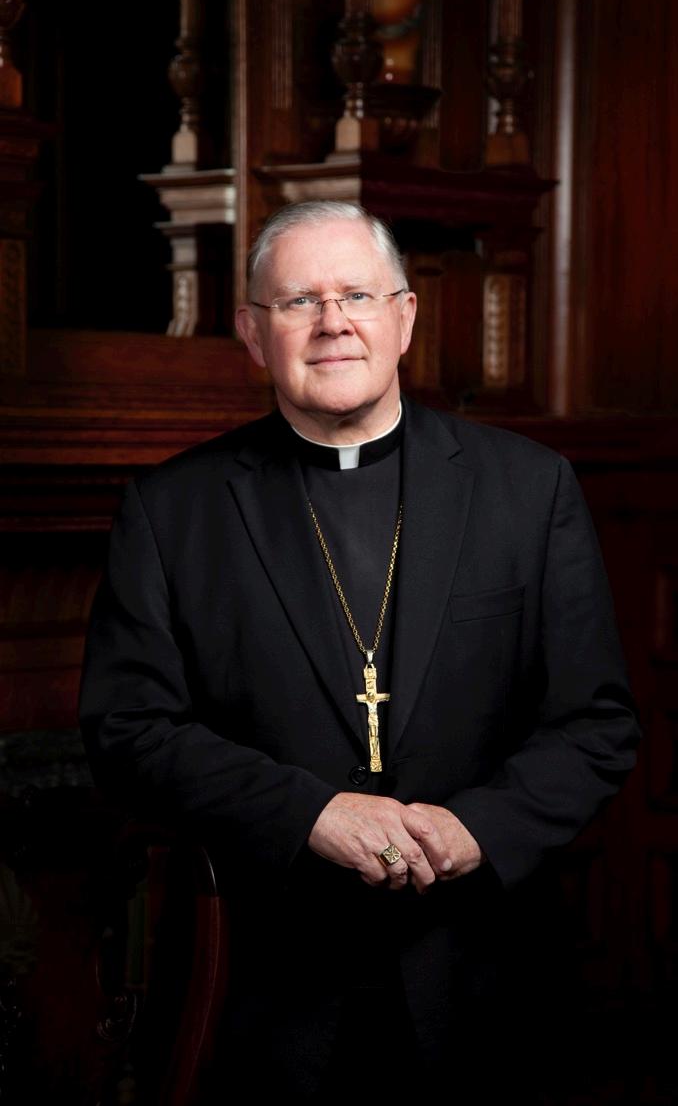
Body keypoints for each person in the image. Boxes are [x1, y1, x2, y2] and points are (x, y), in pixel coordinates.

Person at [79, 200, 640, 1103]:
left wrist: (475, 829)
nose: (332, 322)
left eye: (357, 296)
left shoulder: (528, 489)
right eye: (298, 301)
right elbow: (128, 730)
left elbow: (595, 725)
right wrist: (309, 813)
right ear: (252, 334)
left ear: (404, 318)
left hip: (484, 977)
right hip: (264, 984)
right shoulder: (172, 510)